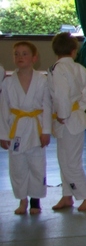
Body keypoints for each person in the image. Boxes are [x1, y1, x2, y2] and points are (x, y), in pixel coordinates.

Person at [0, 42, 51, 215]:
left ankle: (35, 200)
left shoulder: (42, 80)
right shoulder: (8, 82)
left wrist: (46, 131)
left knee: (37, 165)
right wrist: (3, 134)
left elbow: (47, 107)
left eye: (24, 53)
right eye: (16, 54)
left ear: (34, 58)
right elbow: (3, 109)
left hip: (36, 128)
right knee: (17, 167)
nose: (20, 57)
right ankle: (22, 200)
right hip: (16, 128)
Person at [48, 32, 86, 212]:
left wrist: (63, 113)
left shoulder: (58, 69)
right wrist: (80, 105)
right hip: (73, 117)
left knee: (70, 162)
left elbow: (61, 94)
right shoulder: (77, 68)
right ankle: (67, 195)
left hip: (67, 119)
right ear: (74, 51)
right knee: (65, 160)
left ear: (55, 50)